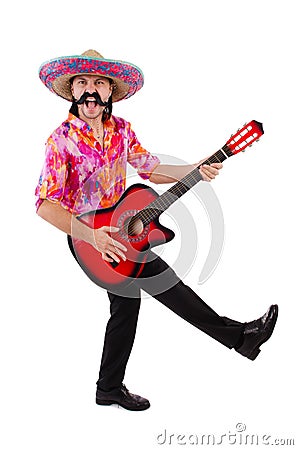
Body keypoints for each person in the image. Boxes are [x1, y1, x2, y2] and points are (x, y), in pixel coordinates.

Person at [36, 49, 278, 411]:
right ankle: (241, 337)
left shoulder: (121, 130)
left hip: (124, 229)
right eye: (82, 82)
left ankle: (109, 388)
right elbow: (44, 204)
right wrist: (93, 236)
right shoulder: (60, 141)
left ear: (109, 93)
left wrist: (196, 168)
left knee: (128, 305)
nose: (90, 90)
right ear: (72, 91)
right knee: (160, 286)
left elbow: (149, 168)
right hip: (90, 238)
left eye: (99, 83)